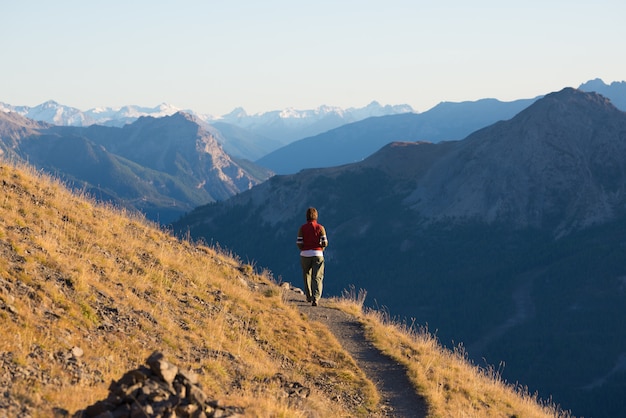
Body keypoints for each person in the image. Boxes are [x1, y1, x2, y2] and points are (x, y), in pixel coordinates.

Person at [296, 207, 328, 306]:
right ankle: (316, 298)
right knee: (317, 276)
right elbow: (325, 242)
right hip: (318, 254)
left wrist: (304, 248)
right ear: (316, 216)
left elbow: (299, 242)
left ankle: (308, 296)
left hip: (305, 254)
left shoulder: (302, 228)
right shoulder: (320, 228)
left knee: (306, 274)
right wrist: (321, 248)